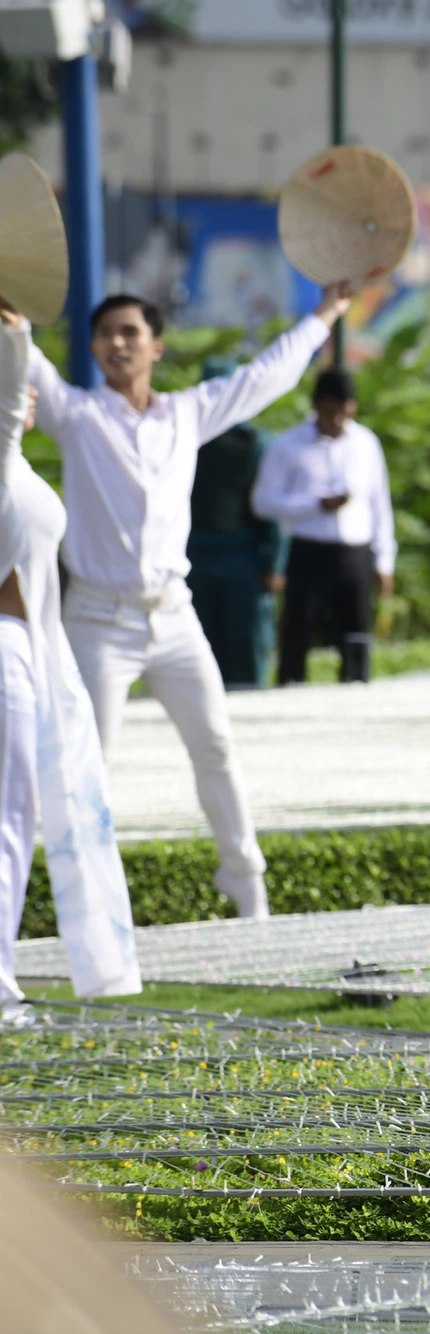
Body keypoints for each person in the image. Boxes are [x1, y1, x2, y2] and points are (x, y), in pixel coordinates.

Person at [27, 286, 350, 919]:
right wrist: (12, 312)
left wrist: (325, 315)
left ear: (156, 345)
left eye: (129, 333)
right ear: (91, 347)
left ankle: (244, 880)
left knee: (217, 746)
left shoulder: (186, 413)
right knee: (90, 766)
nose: (117, 344)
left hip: (173, 615)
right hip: (98, 620)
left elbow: (266, 377)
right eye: (106, 335)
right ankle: (88, 907)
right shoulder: (77, 414)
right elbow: (25, 359)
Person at [0, 302, 141, 1002]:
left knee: (32, 819)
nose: (28, 399)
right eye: (18, 389)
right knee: (8, 821)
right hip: (5, 655)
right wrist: (17, 333)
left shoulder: (16, 465)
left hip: (36, 654)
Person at [253, 368, 396, 686]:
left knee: (356, 633)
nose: (337, 420)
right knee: (299, 629)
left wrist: (385, 559)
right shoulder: (287, 445)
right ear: (316, 405)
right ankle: (291, 690)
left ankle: (357, 691)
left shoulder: (365, 443)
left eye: (344, 412)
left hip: (355, 552)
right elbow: (263, 502)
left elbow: (379, 504)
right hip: (309, 550)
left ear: (353, 408)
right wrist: (315, 505)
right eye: (330, 412)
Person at [187, 358, 288, 687]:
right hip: (194, 553)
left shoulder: (255, 443)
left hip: (242, 553)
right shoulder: (185, 437)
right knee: (201, 644)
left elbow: (272, 508)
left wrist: (275, 563)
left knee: (245, 641)